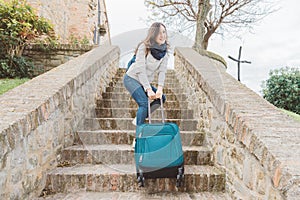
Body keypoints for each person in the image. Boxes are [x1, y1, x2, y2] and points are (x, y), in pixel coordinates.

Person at [123, 22, 169, 127]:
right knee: (144, 103)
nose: (162, 36)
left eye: (164, 32)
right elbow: (141, 70)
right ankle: (138, 137)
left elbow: (162, 71)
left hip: (144, 81)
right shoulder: (144, 47)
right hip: (132, 78)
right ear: (153, 34)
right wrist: (148, 89)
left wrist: (160, 88)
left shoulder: (165, 52)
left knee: (161, 98)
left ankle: (139, 118)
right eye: (159, 33)